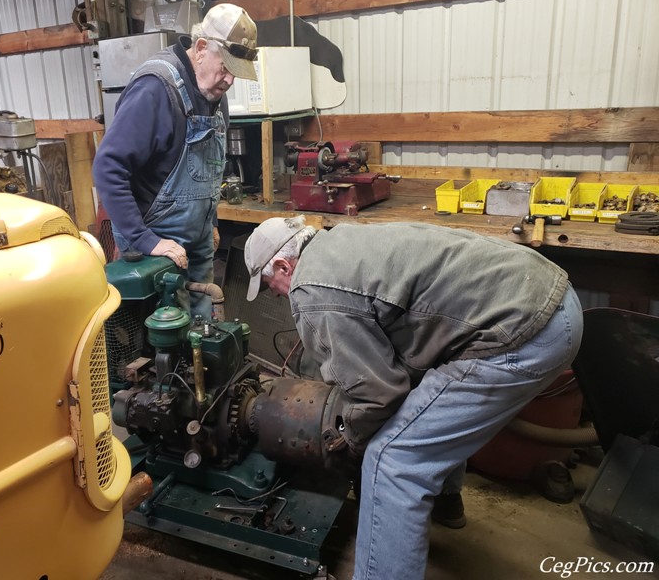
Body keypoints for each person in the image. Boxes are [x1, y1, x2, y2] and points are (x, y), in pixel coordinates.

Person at [243, 216, 583, 580]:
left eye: (270, 285)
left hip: (525, 331)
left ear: (283, 265)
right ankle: (447, 501)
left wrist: (350, 441)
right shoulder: (338, 241)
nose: (277, 294)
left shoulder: (312, 289)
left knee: (392, 461)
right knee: (425, 403)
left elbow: (377, 395)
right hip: (552, 296)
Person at [94, 3, 259, 320]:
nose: (229, 81)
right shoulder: (156, 89)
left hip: (197, 242)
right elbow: (108, 168)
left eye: (234, 73)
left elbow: (207, 168)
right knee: (162, 336)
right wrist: (146, 240)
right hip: (154, 244)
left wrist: (209, 222)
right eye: (225, 67)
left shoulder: (214, 95)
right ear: (200, 48)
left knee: (201, 329)